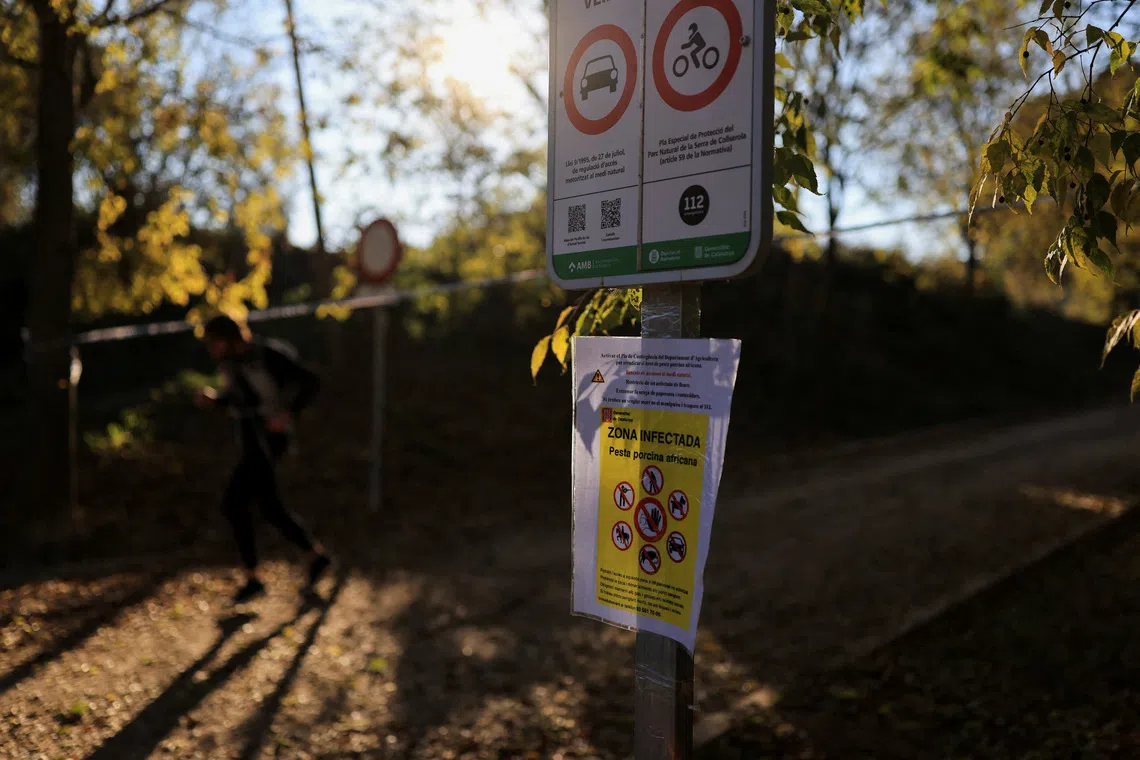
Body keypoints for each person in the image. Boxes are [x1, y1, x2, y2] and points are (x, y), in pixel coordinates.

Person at [195, 314, 332, 604]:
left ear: (228, 338)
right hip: (251, 441)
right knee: (268, 506)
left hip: (270, 442)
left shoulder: (266, 355)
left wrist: (288, 413)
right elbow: (241, 401)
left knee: (235, 502)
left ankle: (254, 577)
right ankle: (313, 557)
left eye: (213, 342)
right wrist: (216, 400)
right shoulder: (231, 365)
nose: (211, 349)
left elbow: (310, 382)